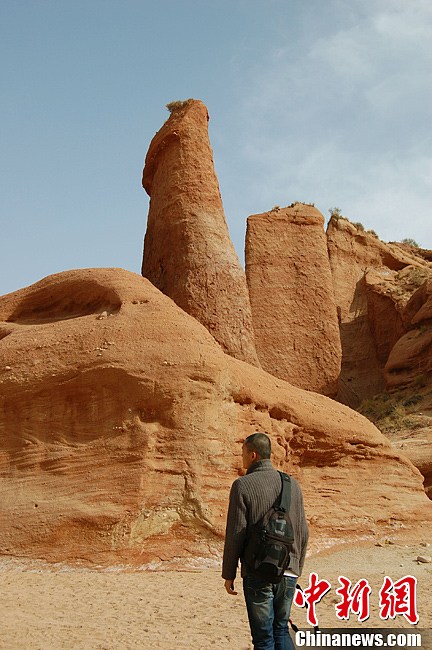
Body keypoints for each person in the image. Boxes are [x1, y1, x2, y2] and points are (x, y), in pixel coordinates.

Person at [222, 432, 308, 650]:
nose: (240, 458)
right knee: (281, 630)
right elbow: (303, 532)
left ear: (253, 455)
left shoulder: (242, 485)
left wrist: (229, 573)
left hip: (257, 571)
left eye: (242, 453)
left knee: (263, 638)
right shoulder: (292, 485)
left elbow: (236, 533)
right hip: (288, 570)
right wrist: (295, 567)